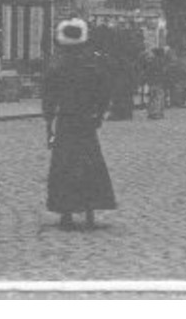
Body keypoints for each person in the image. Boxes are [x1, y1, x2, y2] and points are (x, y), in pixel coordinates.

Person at [43, 18, 117, 230]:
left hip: (66, 122)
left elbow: (49, 99)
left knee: (64, 165)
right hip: (85, 122)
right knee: (89, 163)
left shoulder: (57, 69)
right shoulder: (92, 68)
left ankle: (66, 212)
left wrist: (49, 124)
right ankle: (90, 209)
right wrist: (98, 116)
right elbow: (104, 94)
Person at [144, 46, 168, 120]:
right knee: (159, 97)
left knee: (154, 97)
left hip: (154, 82)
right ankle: (158, 112)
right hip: (159, 82)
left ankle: (154, 112)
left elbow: (148, 72)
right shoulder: (162, 62)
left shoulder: (153, 62)